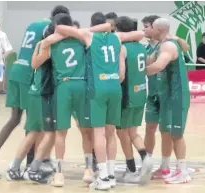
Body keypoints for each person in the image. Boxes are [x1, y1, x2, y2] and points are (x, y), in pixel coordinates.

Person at [56, 12, 145, 190]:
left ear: (92, 24)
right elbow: (140, 34)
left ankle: (103, 176)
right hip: (115, 87)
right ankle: (111, 175)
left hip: (99, 87)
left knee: (99, 133)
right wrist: (108, 27)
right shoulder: (116, 36)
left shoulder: (88, 35)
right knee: (111, 133)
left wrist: (86, 30)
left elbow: (59, 27)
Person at [26, 13, 111, 186]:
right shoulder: (82, 39)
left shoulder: (52, 43)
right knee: (86, 131)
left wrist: (43, 43)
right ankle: (88, 170)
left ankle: (59, 174)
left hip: (63, 88)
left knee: (60, 133)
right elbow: (107, 27)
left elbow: (34, 64)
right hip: (82, 86)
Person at [0, 17, 52, 179]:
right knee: (33, 123)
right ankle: (29, 166)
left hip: (17, 70)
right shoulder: (50, 27)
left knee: (15, 118)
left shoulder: (33, 23)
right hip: (28, 74)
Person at [142, 15, 190, 180]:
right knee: (167, 132)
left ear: (159, 29)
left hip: (176, 94)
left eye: (151, 27)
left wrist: (137, 73)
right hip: (164, 95)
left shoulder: (168, 45)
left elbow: (158, 66)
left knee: (175, 134)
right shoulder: (158, 46)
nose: (147, 30)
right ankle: (166, 168)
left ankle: (182, 172)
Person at [6, 22, 55, 181]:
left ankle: (23, 167)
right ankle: (30, 167)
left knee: (35, 132)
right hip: (40, 93)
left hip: (36, 91)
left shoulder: (40, 46)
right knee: (42, 133)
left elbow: (34, 63)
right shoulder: (50, 50)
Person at [115, 16, 152, 184]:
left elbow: (121, 75)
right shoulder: (142, 47)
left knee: (122, 132)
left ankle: (131, 169)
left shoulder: (122, 48)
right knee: (133, 132)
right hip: (141, 93)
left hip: (127, 95)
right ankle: (146, 158)